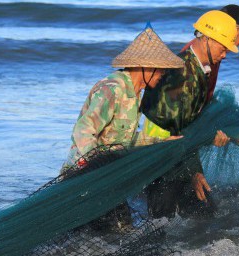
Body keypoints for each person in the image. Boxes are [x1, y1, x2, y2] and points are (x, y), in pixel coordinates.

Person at [65, 24, 185, 227]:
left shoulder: (136, 95)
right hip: (84, 177)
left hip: (108, 177)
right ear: (146, 67)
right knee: (113, 229)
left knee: (121, 229)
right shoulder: (113, 90)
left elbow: (127, 139)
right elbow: (83, 130)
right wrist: (93, 167)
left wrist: (162, 142)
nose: (164, 73)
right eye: (161, 68)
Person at [139, 10, 239, 218]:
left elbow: (191, 118)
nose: (225, 55)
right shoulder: (184, 75)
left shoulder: (197, 67)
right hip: (162, 155)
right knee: (164, 220)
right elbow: (180, 129)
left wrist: (218, 133)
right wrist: (195, 172)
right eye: (223, 48)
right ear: (206, 39)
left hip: (176, 153)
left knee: (199, 215)